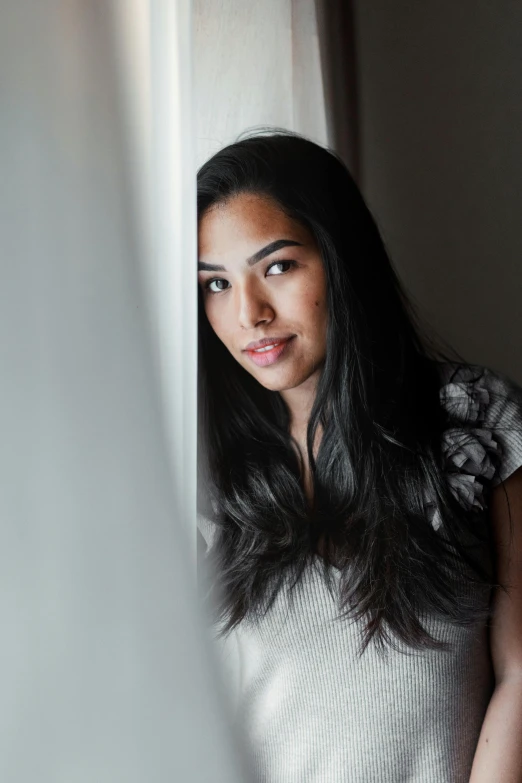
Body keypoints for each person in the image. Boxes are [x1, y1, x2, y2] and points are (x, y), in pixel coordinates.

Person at [195, 129, 522, 783]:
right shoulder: (204, 467)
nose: (248, 312)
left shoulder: (473, 421)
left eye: (278, 266)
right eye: (215, 284)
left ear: (340, 259)